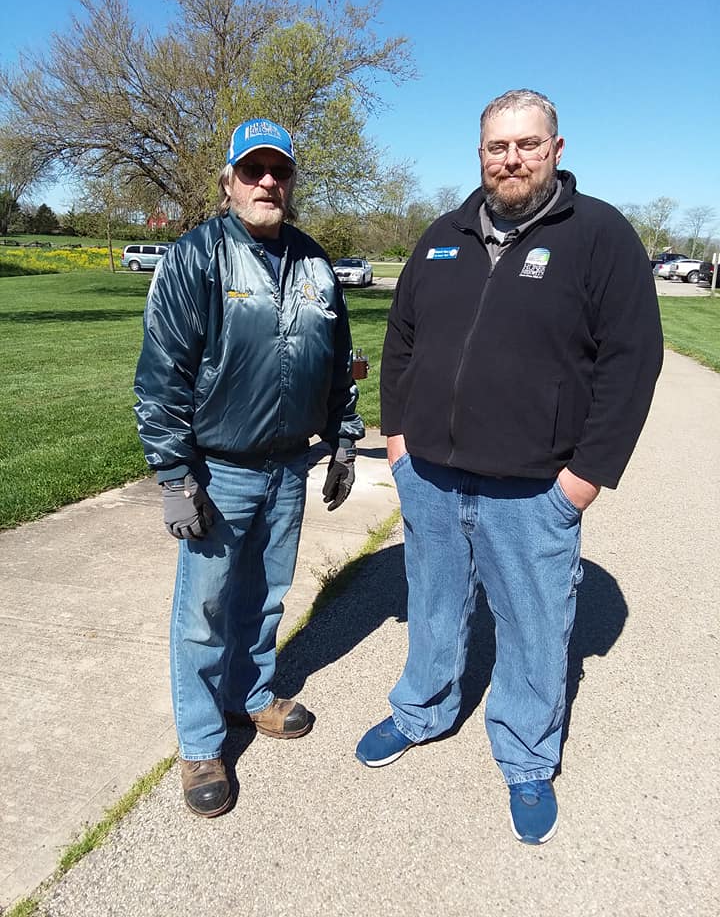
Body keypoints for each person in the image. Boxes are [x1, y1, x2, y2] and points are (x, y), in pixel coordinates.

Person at [355, 89, 663, 844]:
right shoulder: (443, 235)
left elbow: (632, 361)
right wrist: (397, 441)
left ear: (556, 149)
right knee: (433, 604)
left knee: (532, 624)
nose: (512, 159)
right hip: (430, 475)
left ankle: (526, 754)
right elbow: (402, 340)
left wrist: (584, 478)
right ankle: (421, 710)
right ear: (481, 155)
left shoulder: (600, 235)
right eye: (498, 147)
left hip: (534, 488)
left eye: (528, 144)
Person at [134, 118, 364, 817]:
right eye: (252, 170)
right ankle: (202, 743)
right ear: (229, 180)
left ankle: (251, 695)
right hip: (219, 470)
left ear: (291, 180)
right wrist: (175, 476)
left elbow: (339, 361)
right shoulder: (196, 257)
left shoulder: (316, 262)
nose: (267, 182)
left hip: (289, 466)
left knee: (266, 595)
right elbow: (161, 375)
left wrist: (344, 440)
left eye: (279, 171)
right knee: (204, 612)